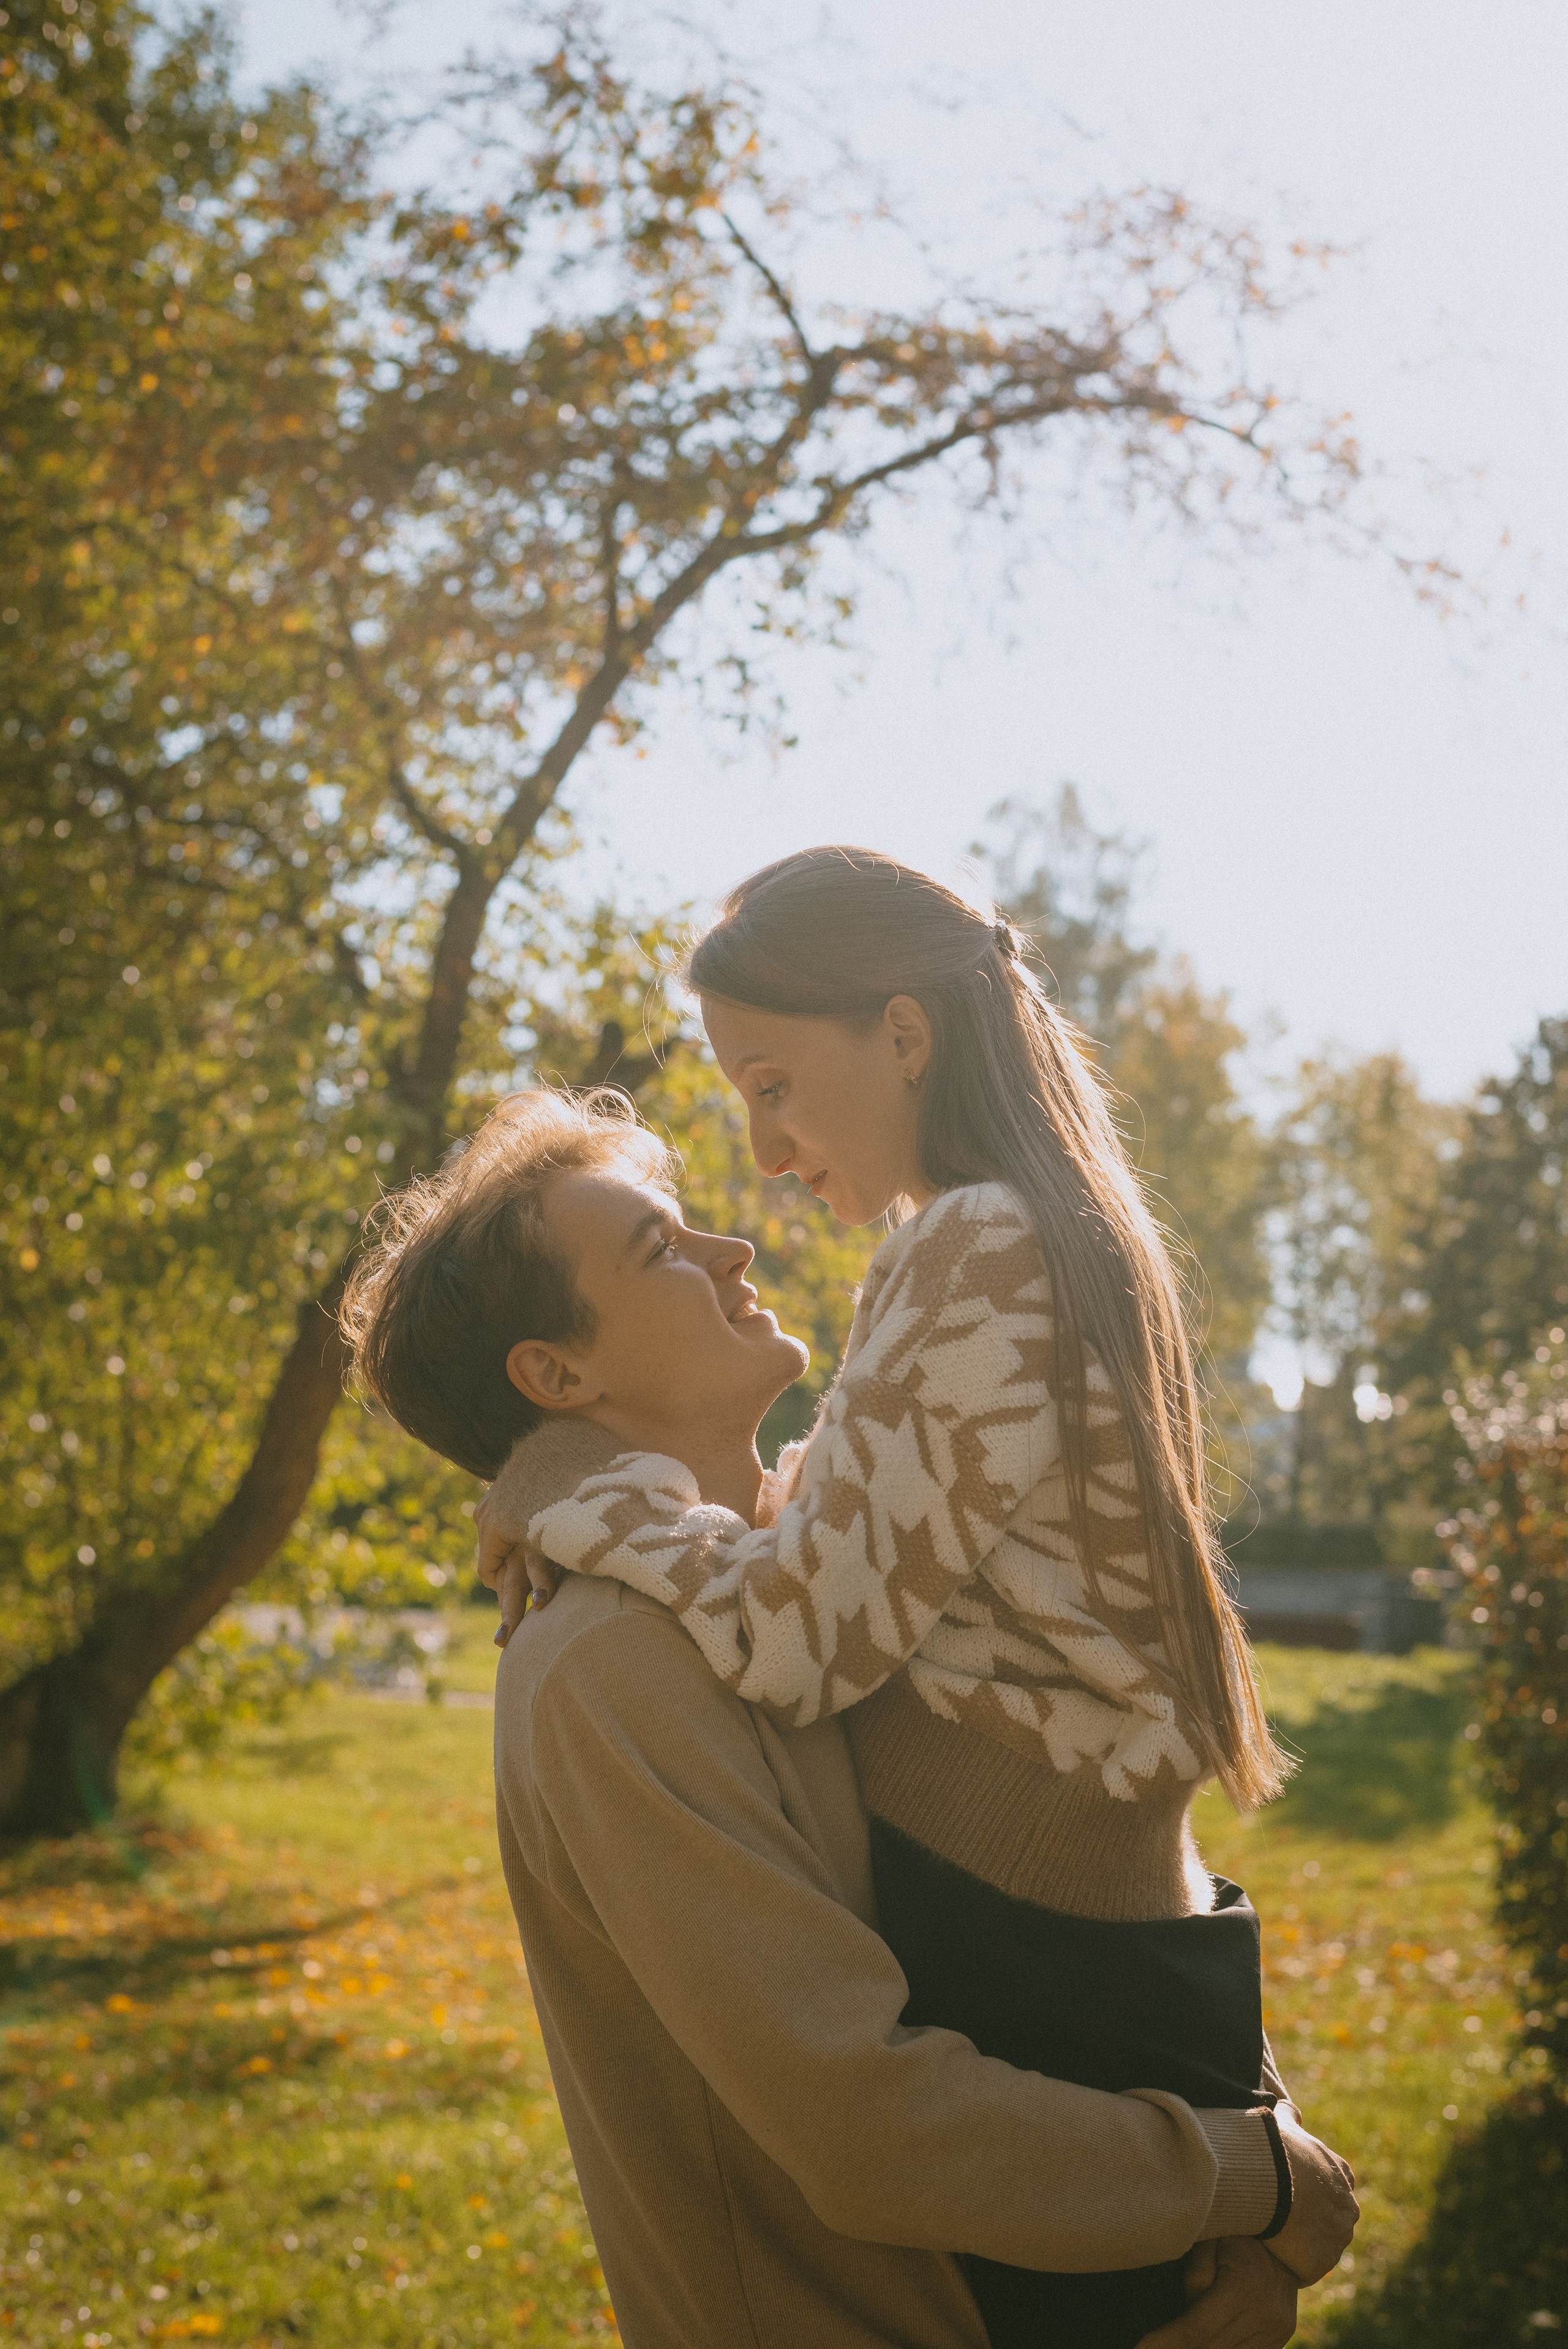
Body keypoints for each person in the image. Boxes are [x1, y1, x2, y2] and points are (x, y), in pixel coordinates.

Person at [475, 847, 1357, 2347]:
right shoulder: (1030, 1233)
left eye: (769, 1085)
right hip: (1096, 1944)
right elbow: (849, 1540)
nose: (760, 1154)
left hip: (1027, 1948)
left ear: (901, 1033)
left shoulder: (972, 1242)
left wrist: (582, 1496)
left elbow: (798, 1630)